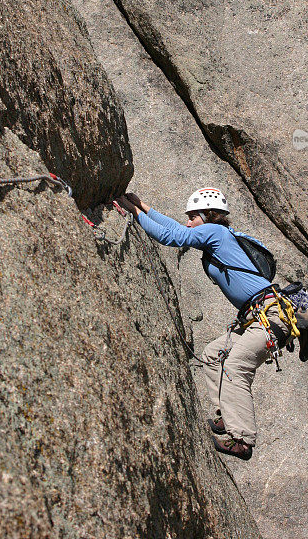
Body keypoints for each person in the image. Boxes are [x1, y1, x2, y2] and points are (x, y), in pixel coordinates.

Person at [115, 187, 293, 461]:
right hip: (257, 318)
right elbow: (179, 230)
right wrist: (145, 208)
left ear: (207, 216)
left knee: (235, 366)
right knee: (212, 355)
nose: (188, 221)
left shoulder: (216, 232)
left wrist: (134, 212)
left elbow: (172, 236)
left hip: (269, 317)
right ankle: (228, 417)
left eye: (192, 216)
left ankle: (242, 440)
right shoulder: (216, 234)